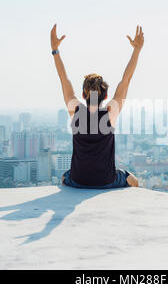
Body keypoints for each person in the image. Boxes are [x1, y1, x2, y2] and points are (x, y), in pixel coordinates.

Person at [50, 24, 144, 188]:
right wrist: (136, 50)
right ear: (106, 96)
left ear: (83, 94)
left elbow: (63, 79)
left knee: (64, 178)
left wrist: (55, 50)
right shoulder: (110, 114)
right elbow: (126, 80)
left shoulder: (75, 111)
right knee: (133, 180)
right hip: (106, 181)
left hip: (78, 180)